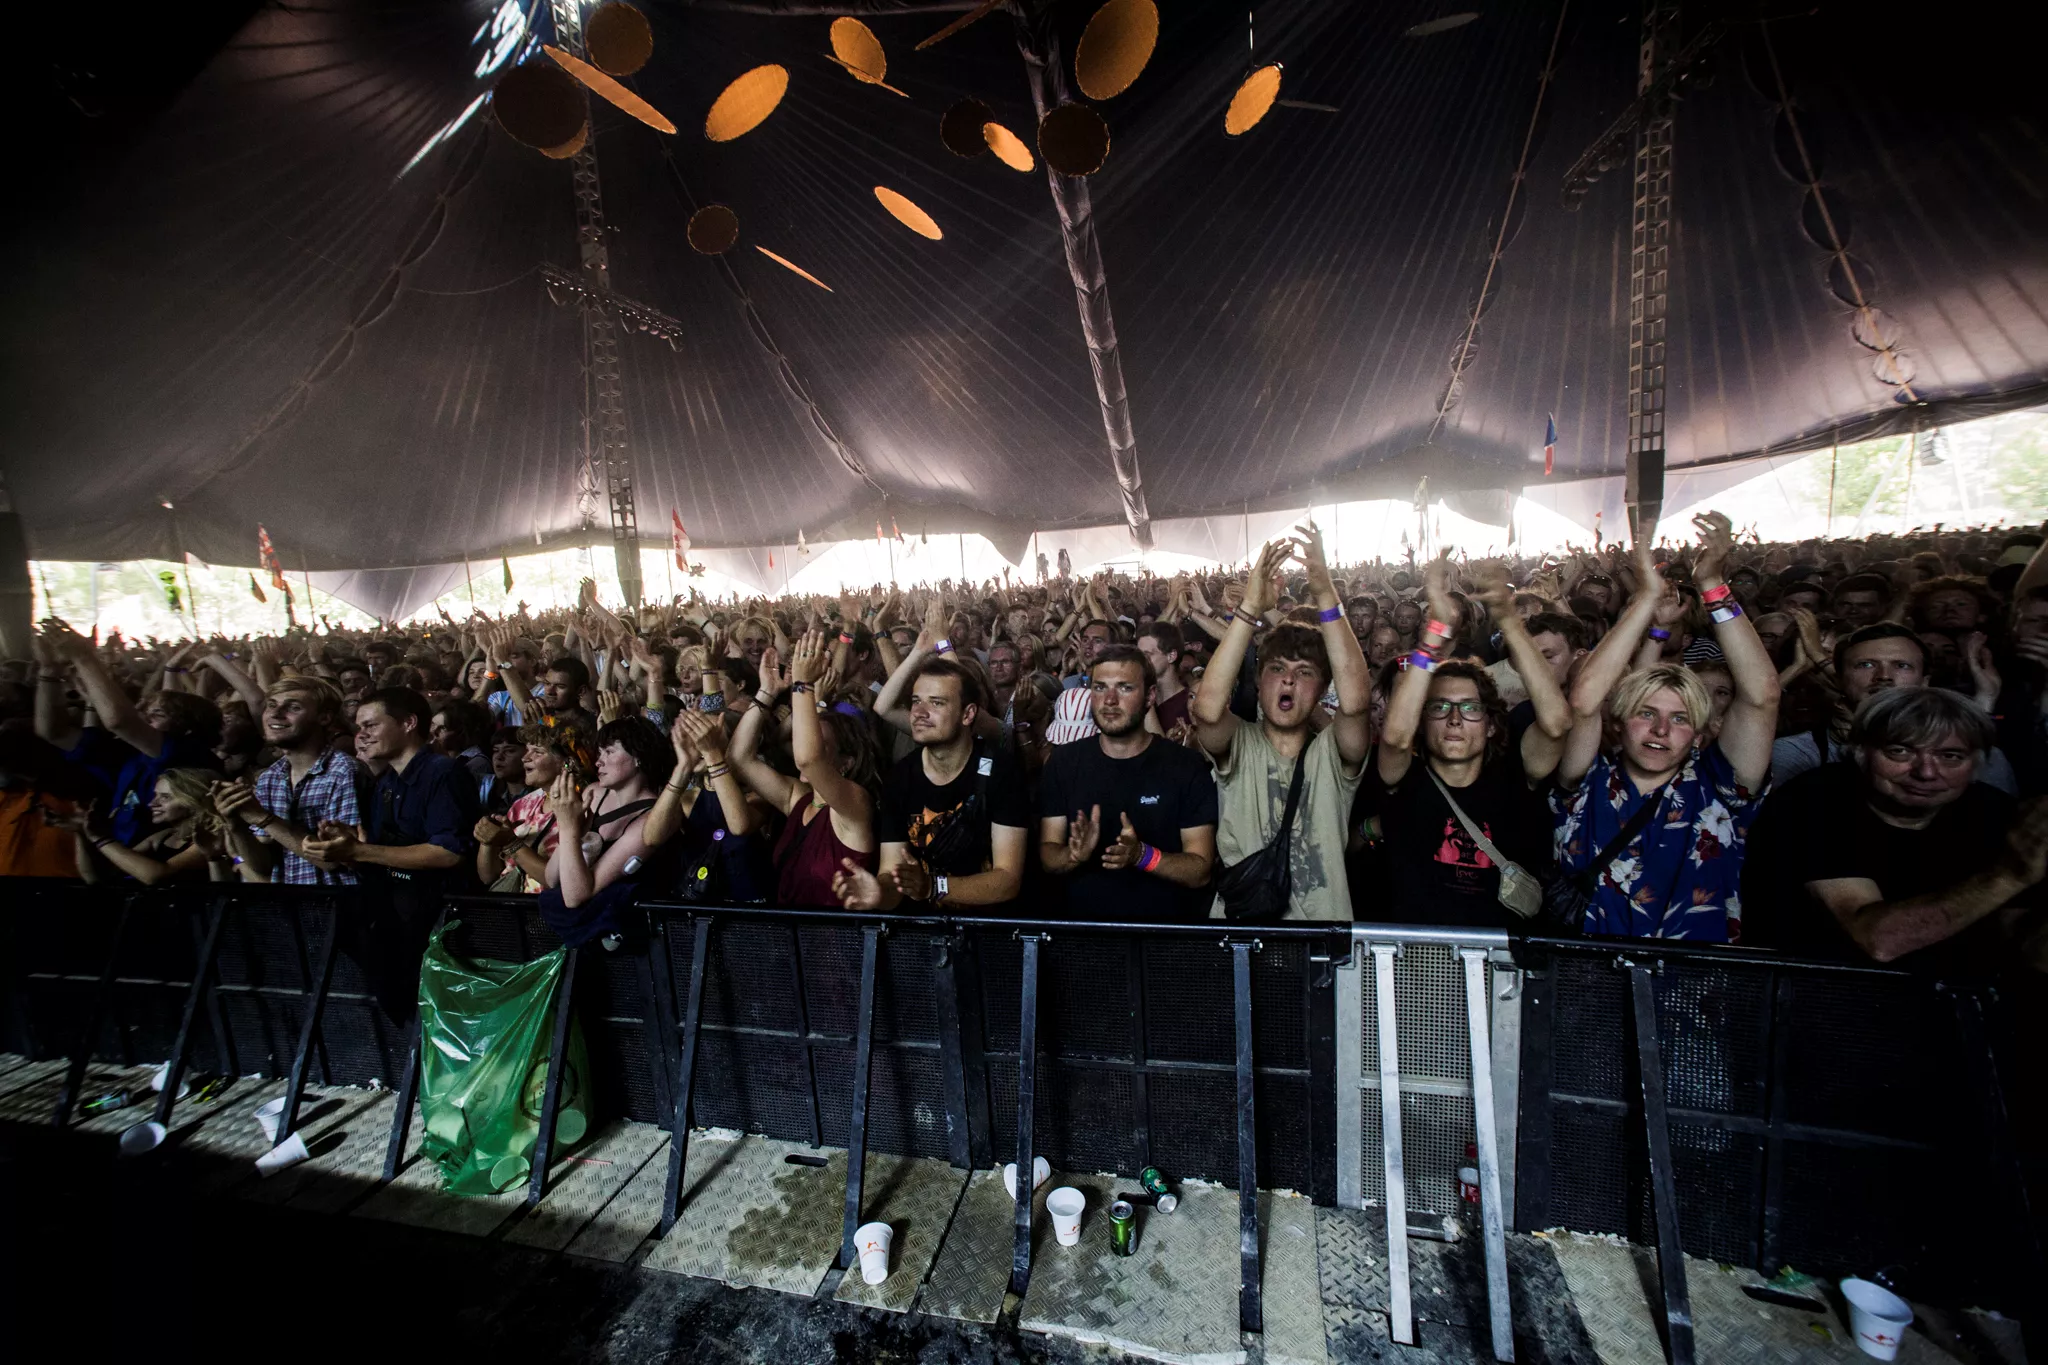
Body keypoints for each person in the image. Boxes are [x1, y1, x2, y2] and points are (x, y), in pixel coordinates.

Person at [1550, 513, 1780, 942]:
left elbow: (1762, 696)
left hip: (1692, 989)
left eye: (1679, 719)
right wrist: (1645, 599)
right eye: (1645, 713)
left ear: (1700, 731)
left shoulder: (1720, 789)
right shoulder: (1589, 783)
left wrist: (1711, 584)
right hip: (1584, 982)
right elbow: (1584, 701)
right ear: (1619, 721)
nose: (1660, 729)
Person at [1744, 687, 2048, 971]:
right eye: (1901, 751)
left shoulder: (1994, 811)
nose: (1926, 772)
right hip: (1823, 995)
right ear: (1862, 752)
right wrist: (2011, 875)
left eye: (1950, 756)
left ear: (1977, 764)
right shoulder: (1814, 799)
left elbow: (2021, 942)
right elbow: (1879, 942)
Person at [1369, 562, 1570, 927]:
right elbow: (1396, 737)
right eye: (1440, 706)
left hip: (1504, 965)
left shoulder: (1513, 774)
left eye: (1471, 708)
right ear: (1422, 720)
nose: (1455, 719)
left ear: (1493, 725)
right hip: (1418, 963)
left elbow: (1556, 724)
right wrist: (1434, 631)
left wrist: (1509, 621)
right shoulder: (1407, 780)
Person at [1191, 524, 1371, 921]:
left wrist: (1326, 593)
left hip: (1321, 940)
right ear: (1258, 682)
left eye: (1305, 672)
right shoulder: (1241, 742)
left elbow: (1357, 704)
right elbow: (1206, 710)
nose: (1289, 678)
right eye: (1277, 668)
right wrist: (1250, 608)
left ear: (1323, 688)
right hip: (1241, 933)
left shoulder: (1333, 753)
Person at [834, 657, 1029, 911]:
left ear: (968, 714)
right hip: (924, 935)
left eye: (936, 703)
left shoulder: (1001, 771)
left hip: (989, 933)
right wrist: (878, 893)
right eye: (916, 701)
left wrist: (933, 887)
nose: (918, 713)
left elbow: (1007, 880)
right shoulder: (901, 777)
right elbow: (892, 875)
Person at [1038, 644, 1218, 919]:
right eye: (1099, 688)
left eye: (1125, 688)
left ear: (1150, 697)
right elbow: (1049, 852)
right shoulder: (1063, 762)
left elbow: (1201, 870)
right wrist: (1072, 856)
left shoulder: (1184, 766)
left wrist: (1142, 856)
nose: (1109, 700)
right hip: (1082, 936)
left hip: (1164, 939)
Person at [35, 622, 222, 850]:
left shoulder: (192, 755)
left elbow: (119, 721)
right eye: (145, 712)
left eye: (158, 714)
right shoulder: (130, 756)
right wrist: (49, 670)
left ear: (188, 728)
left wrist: (83, 657)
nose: (144, 718)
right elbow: (53, 732)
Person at [1771, 622, 2019, 793]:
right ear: (1839, 679)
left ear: (1925, 681)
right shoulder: (1795, 754)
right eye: (1866, 665)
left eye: (1902, 666)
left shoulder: (1981, 757)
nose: (1884, 677)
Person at [728, 629, 881, 906]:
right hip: (790, 941)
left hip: (837, 942)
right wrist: (766, 693)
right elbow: (739, 758)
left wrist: (803, 685)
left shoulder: (854, 804)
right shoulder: (800, 798)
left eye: (818, 742)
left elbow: (808, 759)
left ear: (846, 762)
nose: (802, 745)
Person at [301, 687, 480, 882]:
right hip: (395, 901)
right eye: (360, 728)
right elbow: (380, 856)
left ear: (408, 723)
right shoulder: (387, 781)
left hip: (437, 906)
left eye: (371, 725)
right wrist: (348, 846)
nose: (361, 735)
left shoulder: (443, 773)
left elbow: (449, 853)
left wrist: (360, 851)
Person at [211, 677, 368, 885]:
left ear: (324, 718)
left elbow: (336, 860)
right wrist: (236, 823)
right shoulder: (271, 777)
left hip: (336, 908)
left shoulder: (344, 772)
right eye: (272, 705)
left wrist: (262, 818)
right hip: (287, 910)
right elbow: (264, 866)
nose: (275, 713)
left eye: (293, 707)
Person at [542, 716, 671, 913]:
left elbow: (576, 896)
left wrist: (568, 829)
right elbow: (551, 878)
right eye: (600, 752)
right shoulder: (593, 794)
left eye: (609, 752)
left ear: (639, 758)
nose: (598, 762)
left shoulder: (651, 817)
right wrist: (572, 830)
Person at [643, 708, 771, 903]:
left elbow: (739, 825)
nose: (700, 744)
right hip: (701, 906)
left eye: (709, 736)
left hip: (749, 909)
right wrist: (683, 766)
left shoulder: (759, 793)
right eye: (696, 736)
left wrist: (712, 754)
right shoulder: (689, 798)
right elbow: (652, 837)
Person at [50, 767, 234, 884]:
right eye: (155, 796)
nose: (152, 804)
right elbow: (96, 877)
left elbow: (155, 875)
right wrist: (82, 832)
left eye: (165, 797)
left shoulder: (212, 838)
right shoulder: (164, 836)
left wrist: (101, 839)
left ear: (194, 800)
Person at [474, 725, 578, 893]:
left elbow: (555, 879)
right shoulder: (522, 806)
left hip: (546, 913)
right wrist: (487, 840)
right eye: (527, 750)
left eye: (537, 752)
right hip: (511, 912)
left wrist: (511, 844)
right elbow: (489, 877)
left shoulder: (581, 807)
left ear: (567, 762)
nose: (525, 758)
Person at [1046, 619, 1116, 744]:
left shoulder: (1116, 687)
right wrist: (1063, 672)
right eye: (1085, 640)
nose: (1088, 646)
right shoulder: (1069, 683)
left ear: (1112, 647)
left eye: (1097, 641)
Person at [1136, 621, 1195, 739]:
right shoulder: (1138, 698)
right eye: (1138, 656)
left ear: (1171, 656)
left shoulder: (1190, 703)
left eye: (1147, 655)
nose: (1139, 662)